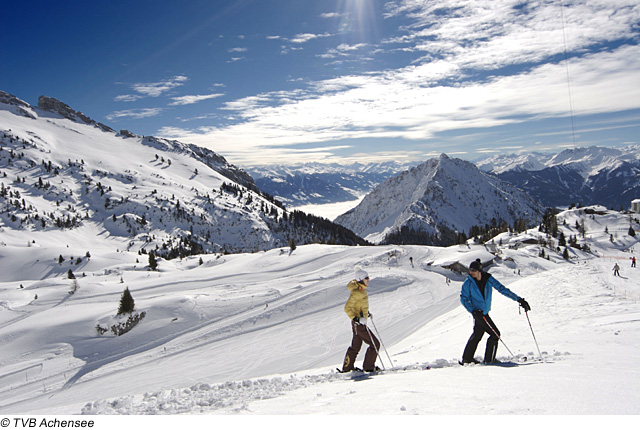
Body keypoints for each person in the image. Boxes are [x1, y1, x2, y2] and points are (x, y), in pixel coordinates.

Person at [460, 260, 530, 364]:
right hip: (479, 314)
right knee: (495, 334)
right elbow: (464, 298)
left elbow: (502, 289)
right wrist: (473, 311)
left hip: (484, 313)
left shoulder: (488, 279)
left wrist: (519, 300)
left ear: (479, 270)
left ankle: (467, 358)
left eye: (473, 270)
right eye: (470, 270)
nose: (471, 272)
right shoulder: (468, 282)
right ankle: (489, 359)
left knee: (478, 334)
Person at [340, 269, 380, 373]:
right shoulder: (357, 292)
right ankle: (368, 367)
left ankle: (347, 368)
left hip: (358, 323)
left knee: (355, 347)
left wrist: (367, 314)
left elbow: (359, 306)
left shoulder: (362, 290)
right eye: (366, 278)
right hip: (359, 324)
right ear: (360, 279)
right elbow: (347, 308)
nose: (368, 279)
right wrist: (357, 319)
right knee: (375, 344)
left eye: (368, 277)